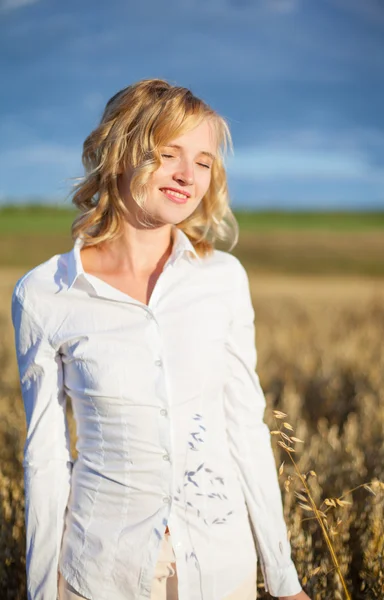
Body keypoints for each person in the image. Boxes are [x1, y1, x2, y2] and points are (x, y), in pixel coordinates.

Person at [11, 78, 311, 600]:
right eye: (167, 154)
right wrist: (40, 591)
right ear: (120, 153)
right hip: (101, 573)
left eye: (203, 161)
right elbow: (44, 458)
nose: (186, 175)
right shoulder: (45, 294)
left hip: (221, 569)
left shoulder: (223, 279)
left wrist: (285, 581)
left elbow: (245, 427)